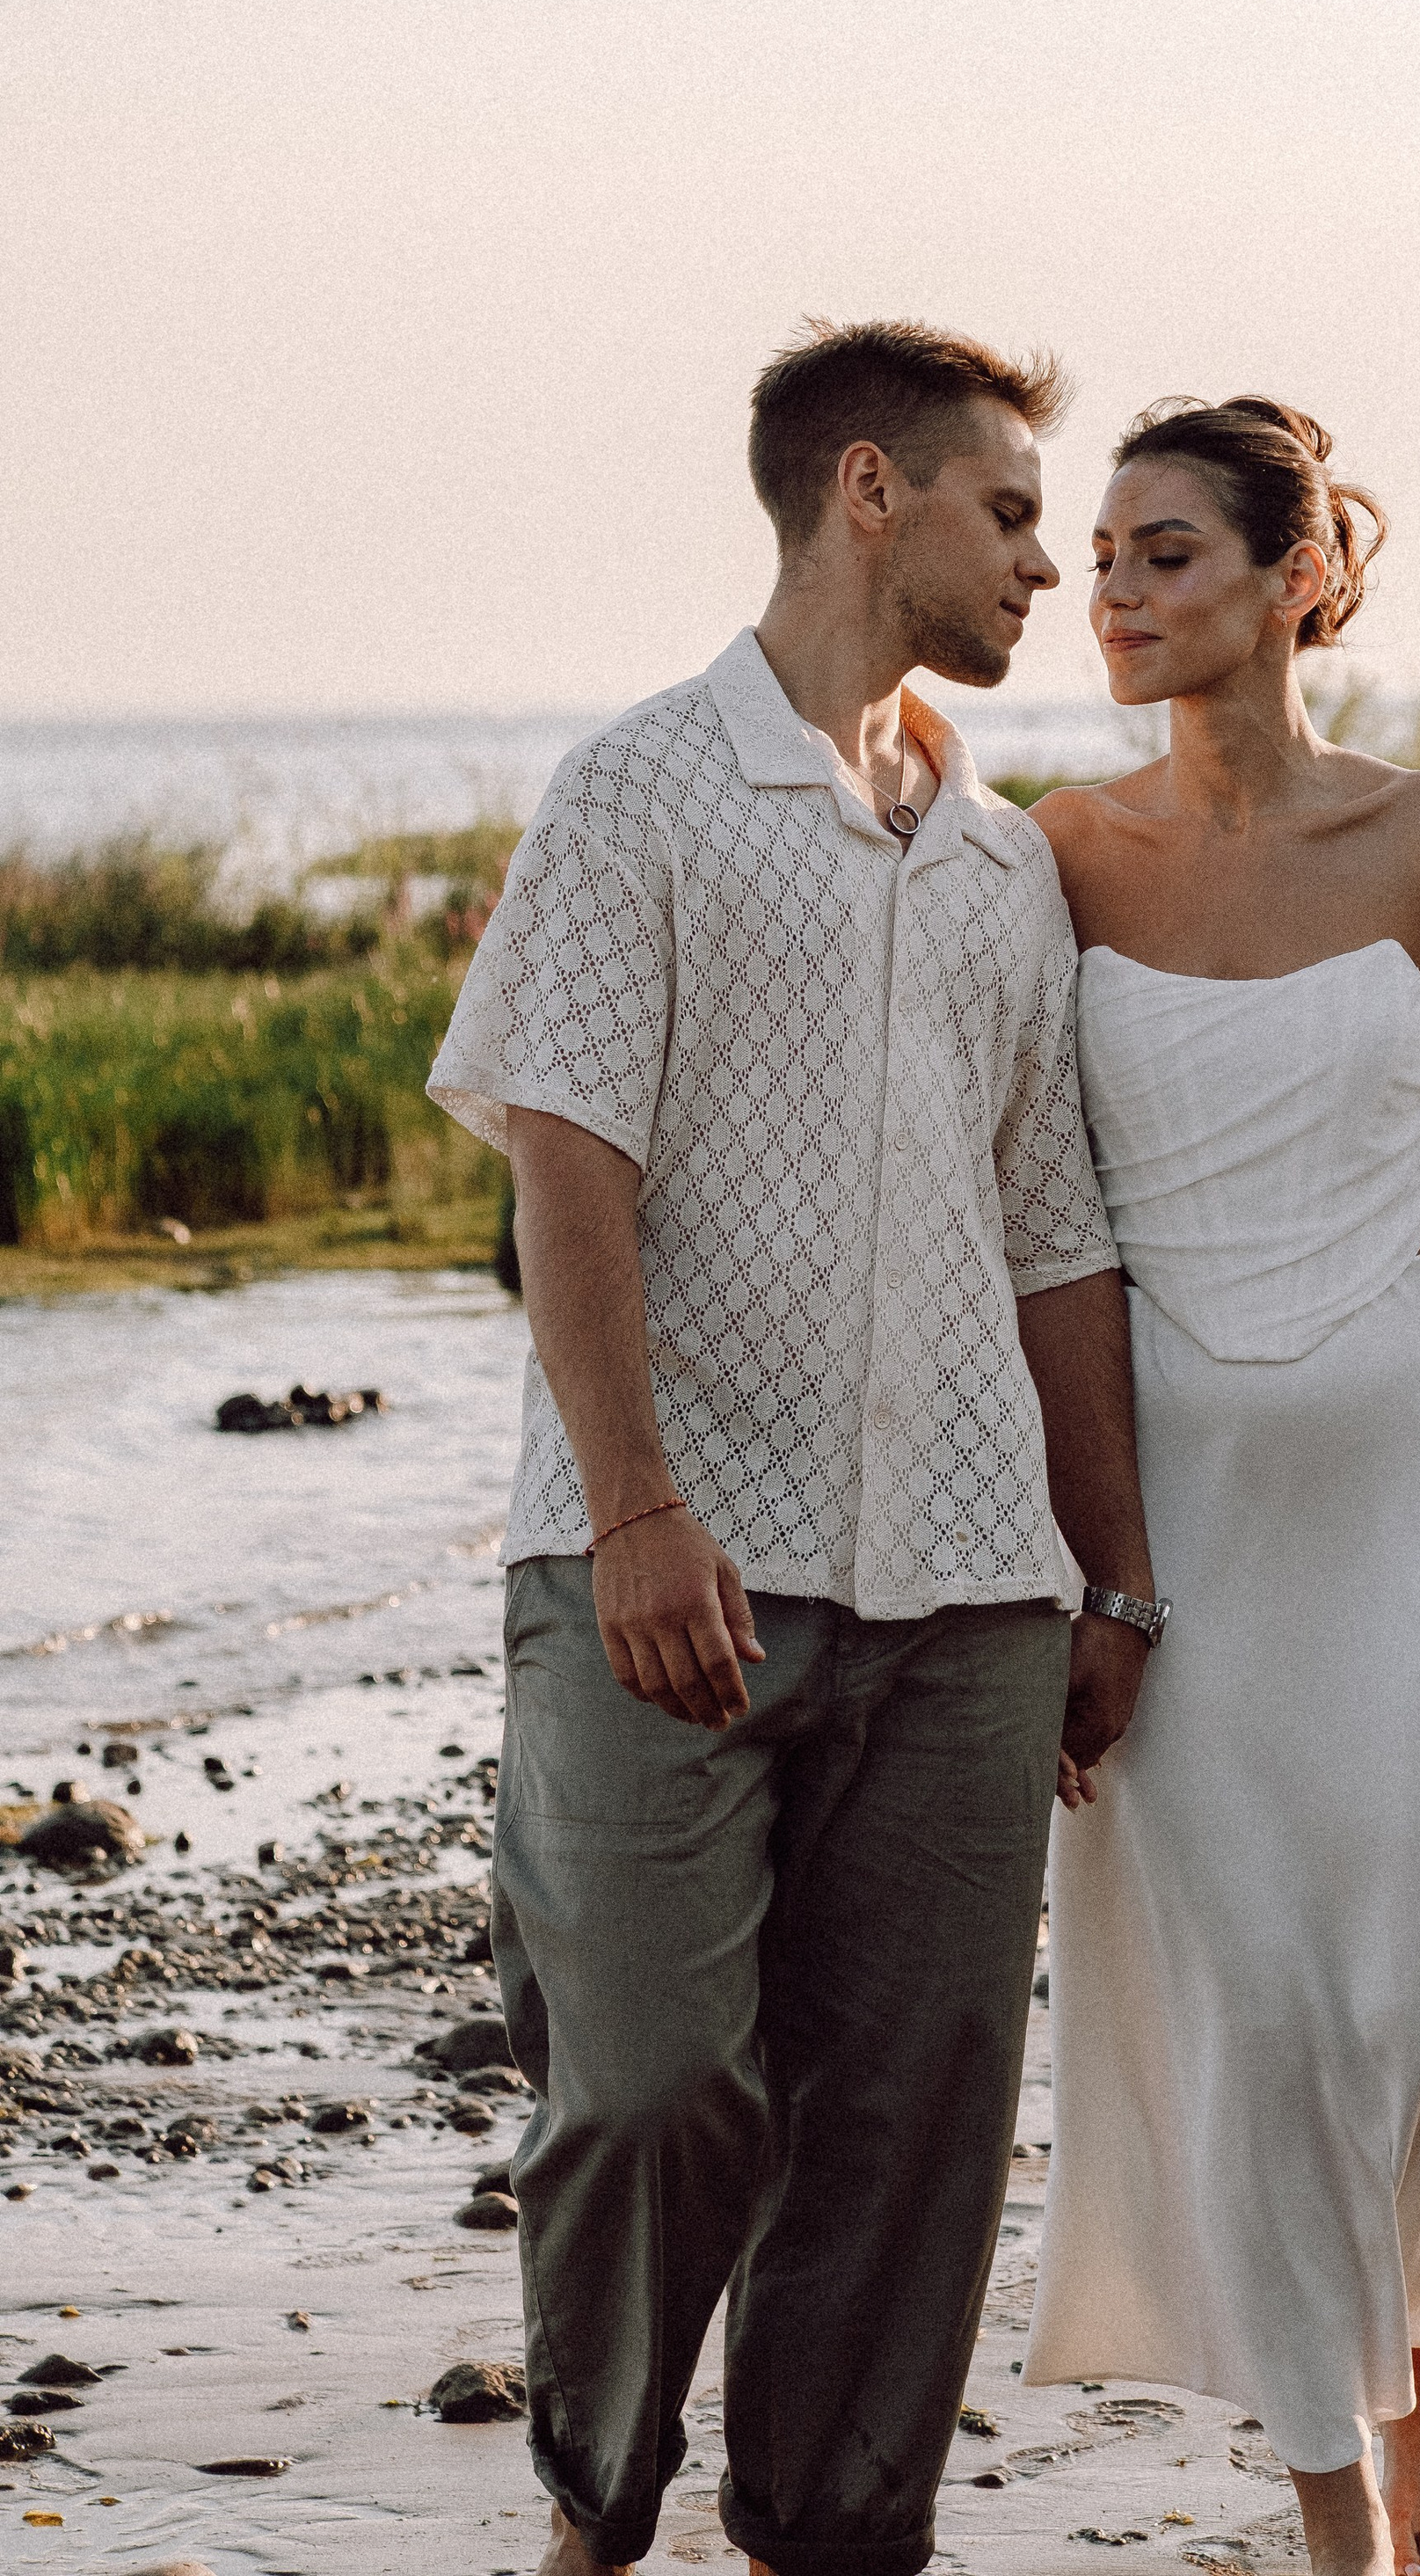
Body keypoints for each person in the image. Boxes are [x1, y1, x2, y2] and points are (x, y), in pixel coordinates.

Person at [428, 320, 1161, 2576]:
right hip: (663, 1579)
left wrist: (1108, 1581)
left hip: (967, 1597)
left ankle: (834, 2538)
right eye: (1011, 514)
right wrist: (637, 1506)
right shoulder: (635, 793)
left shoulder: (1005, 869)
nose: (1054, 568)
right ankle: (595, 2500)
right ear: (870, 492)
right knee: (648, 2086)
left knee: (919, 2119)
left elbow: (1054, 1247)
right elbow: (563, 1172)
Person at [1023, 395, 1420, 2576]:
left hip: (1394, 1469)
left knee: (1404, 1995)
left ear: (1292, 578)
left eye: (1161, 552)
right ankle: (1329, 2508)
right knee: (1255, 2002)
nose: (1109, 593)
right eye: (1094, 556)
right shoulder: (1056, 857)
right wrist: (1078, 1566)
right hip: (1173, 1505)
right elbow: (1037, 1234)